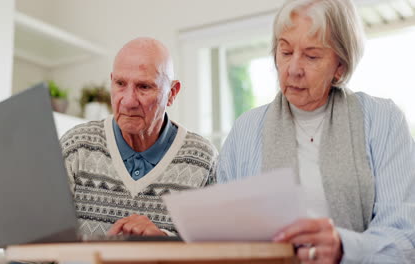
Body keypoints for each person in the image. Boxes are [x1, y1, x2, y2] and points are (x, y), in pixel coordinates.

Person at [217, 0, 415, 263]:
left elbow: (404, 236)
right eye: (285, 52)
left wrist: (344, 248)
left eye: (311, 56)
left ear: (340, 67)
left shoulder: (383, 121)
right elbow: (222, 230)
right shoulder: (246, 130)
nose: (293, 70)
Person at [60, 37, 217, 237]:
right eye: (120, 83)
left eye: (144, 87)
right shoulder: (76, 147)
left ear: (172, 93)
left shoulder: (204, 160)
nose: (128, 101)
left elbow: (212, 252)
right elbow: (40, 247)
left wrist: (163, 242)